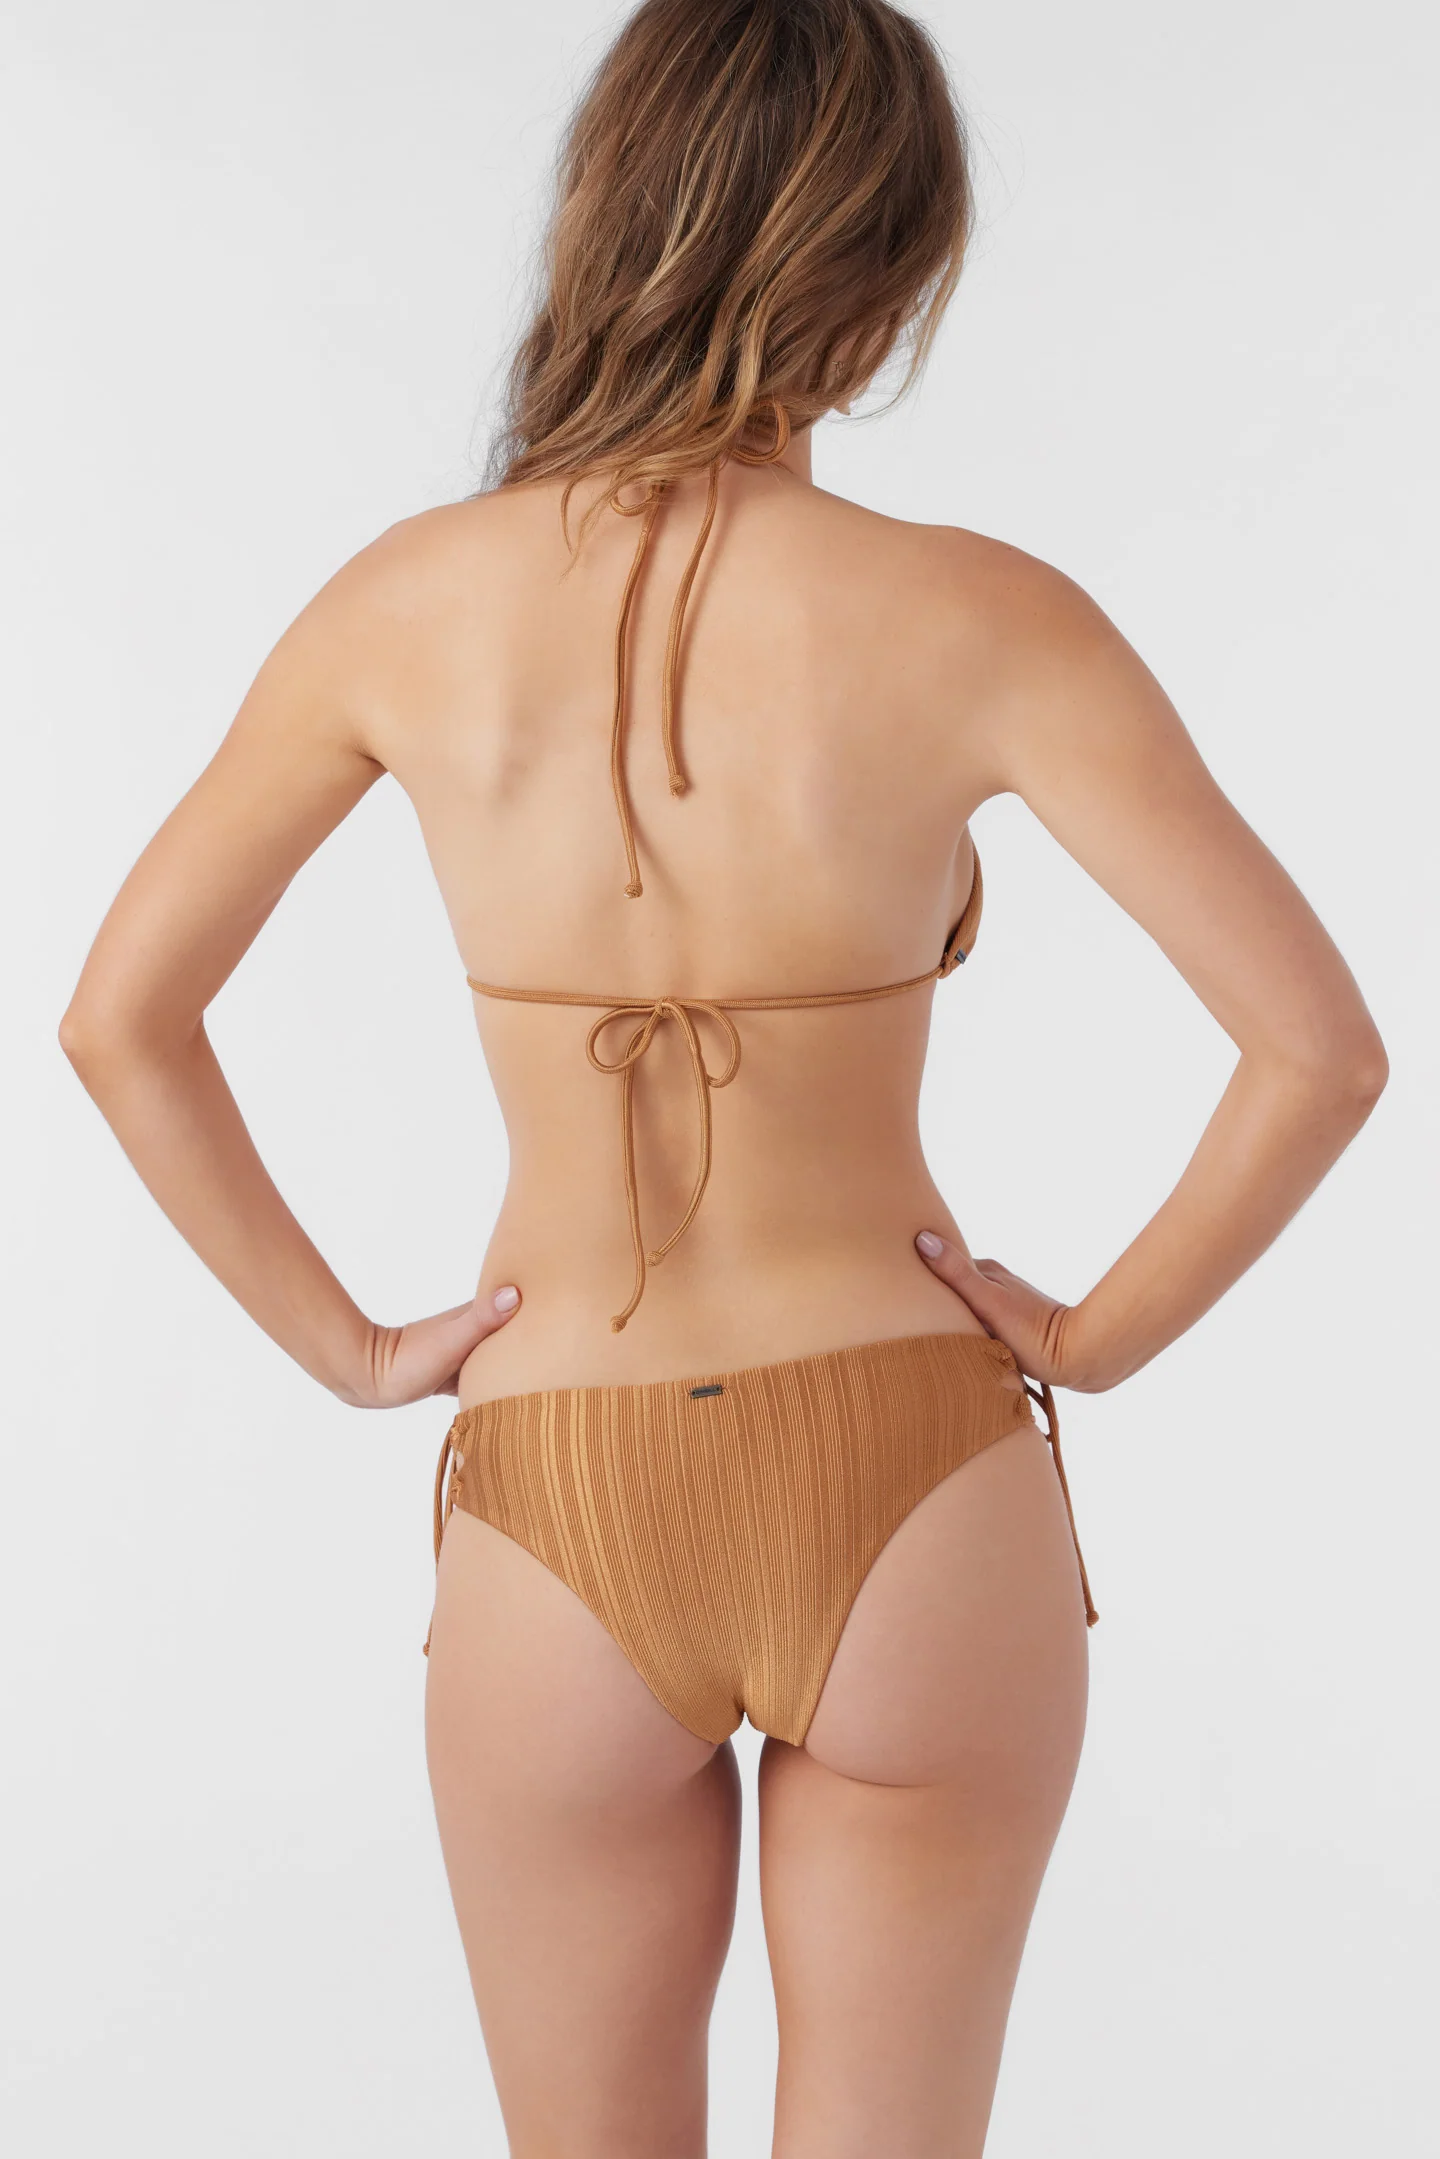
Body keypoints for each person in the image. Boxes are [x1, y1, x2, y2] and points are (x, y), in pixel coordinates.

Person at [59, 2, 1387, 2152]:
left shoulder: (403, 608)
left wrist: (353, 1346)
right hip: (917, 1470)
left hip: (555, 1477)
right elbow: (1316, 1048)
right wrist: (1091, 1336)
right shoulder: (985, 619)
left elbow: (119, 1017)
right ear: (888, 258)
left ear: (612, 209)